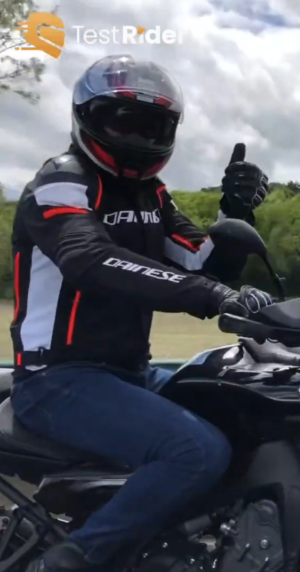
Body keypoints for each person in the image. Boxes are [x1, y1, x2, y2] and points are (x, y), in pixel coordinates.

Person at [9, 54, 275, 572]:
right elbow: (89, 258)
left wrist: (234, 215)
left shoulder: (151, 196)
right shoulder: (62, 180)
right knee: (195, 451)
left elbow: (202, 263)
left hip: (127, 374)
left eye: (153, 125)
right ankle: (71, 560)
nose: (138, 135)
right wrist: (209, 297)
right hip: (56, 379)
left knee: (241, 400)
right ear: (87, 116)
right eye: (123, 120)